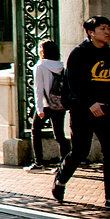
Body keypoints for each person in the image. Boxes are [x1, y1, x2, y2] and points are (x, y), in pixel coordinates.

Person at [53, 16, 110, 213]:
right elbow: (74, 84)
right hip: (83, 111)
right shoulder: (79, 54)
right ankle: (61, 179)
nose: (107, 32)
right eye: (102, 28)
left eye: (109, 28)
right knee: (80, 151)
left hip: (106, 111)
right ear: (91, 32)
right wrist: (90, 103)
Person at [26, 40, 69, 173]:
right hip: (59, 104)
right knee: (59, 135)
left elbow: (38, 89)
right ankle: (64, 164)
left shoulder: (40, 66)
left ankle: (38, 162)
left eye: (40, 48)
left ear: (43, 51)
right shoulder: (61, 66)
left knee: (35, 132)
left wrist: (39, 109)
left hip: (45, 105)